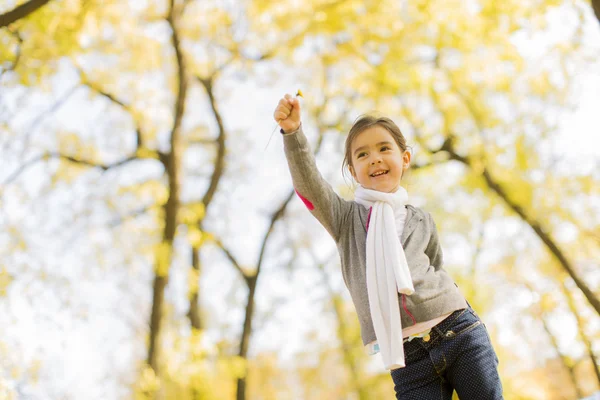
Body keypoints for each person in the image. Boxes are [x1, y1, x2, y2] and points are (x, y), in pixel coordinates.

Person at [273, 93, 503, 399]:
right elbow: (309, 185)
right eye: (362, 154)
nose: (375, 158)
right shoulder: (345, 219)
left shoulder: (421, 220)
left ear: (404, 159)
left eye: (384, 148)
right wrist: (293, 132)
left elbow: (436, 266)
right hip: (408, 360)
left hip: (460, 332)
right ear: (353, 171)